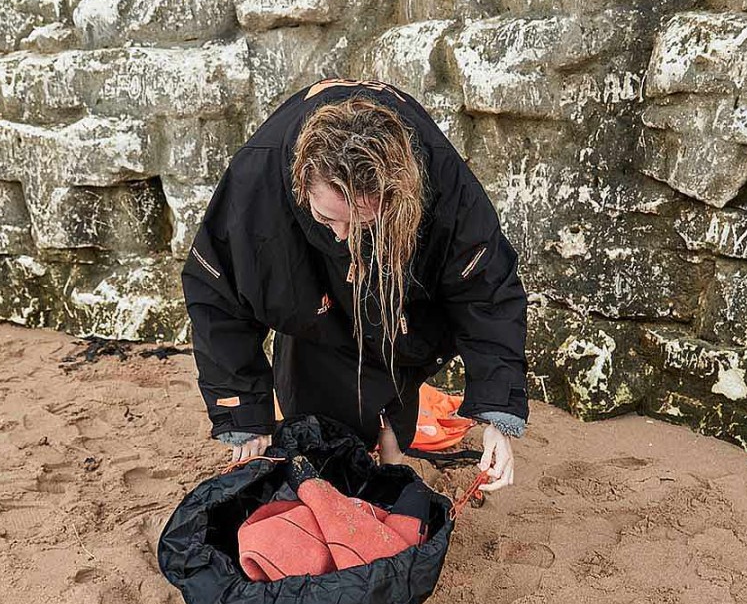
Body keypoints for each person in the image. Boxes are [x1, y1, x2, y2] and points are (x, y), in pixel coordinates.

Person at [181, 78, 528, 493]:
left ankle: (392, 448)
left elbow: (487, 292)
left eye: (360, 221)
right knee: (316, 405)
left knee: (395, 343)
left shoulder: (442, 181)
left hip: (400, 290)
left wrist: (496, 416)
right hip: (309, 295)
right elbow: (216, 291)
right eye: (328, 218)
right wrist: (243, 417)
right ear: (302, 180)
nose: (343, 236)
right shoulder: (257, 180)